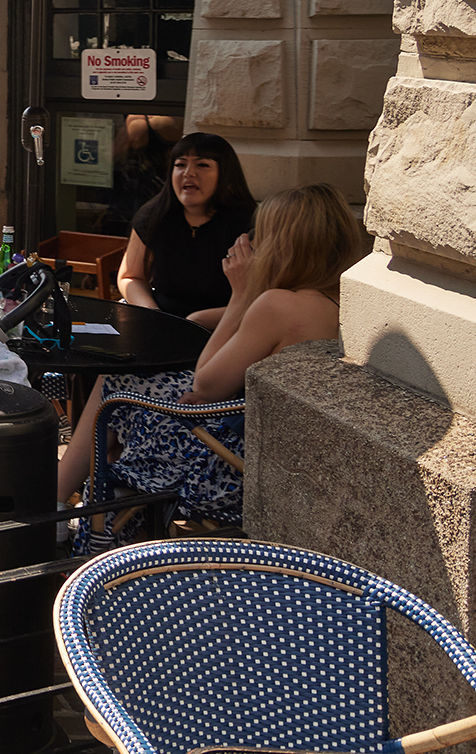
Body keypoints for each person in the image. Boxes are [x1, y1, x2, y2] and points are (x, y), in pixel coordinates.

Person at [57, 183, 363, 514]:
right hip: (283, 458)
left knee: (117, 384)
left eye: (262, 235)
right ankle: (95, 499)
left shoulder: (278, 306)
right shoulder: (344, 301)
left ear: (286, 246)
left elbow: (205, 385)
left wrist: (241, 295)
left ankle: (63, 503)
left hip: (227, 465)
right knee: (133, 386)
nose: (255, 244)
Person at [118, 132, 258, 327]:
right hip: (162, 323)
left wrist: (196, 322)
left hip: (226, 325)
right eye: (180, 164)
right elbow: (130, 276)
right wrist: (152, 313)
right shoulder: (154, 214)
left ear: (225, 173)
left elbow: (263, 296)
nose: (188, 173)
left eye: (202, 165)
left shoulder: (249, 222)